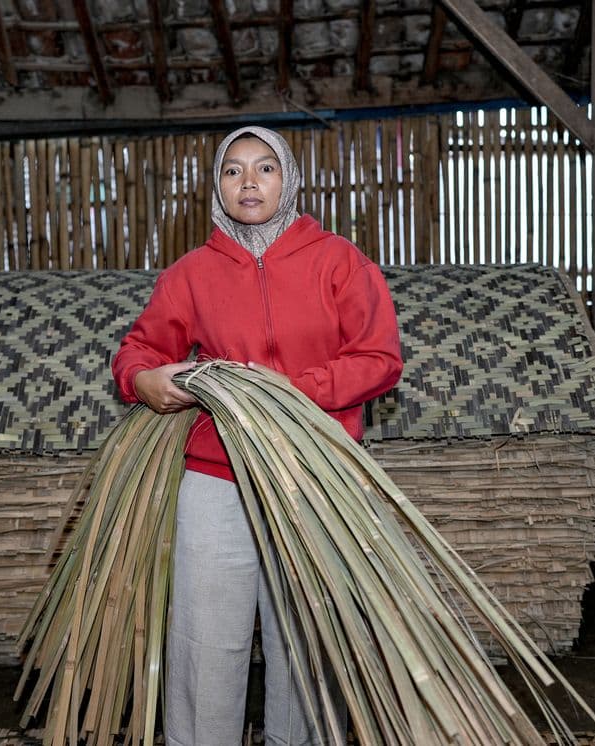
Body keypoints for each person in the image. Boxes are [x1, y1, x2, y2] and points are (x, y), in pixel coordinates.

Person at [112, 125, 403, 746]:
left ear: (288, 179)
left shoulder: (338, 261)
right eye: (233, 170)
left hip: (315, 474)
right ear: (217, 186)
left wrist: (291, 388)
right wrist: (146, 380)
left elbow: (379, 358)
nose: (248, 181)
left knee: (304, 632)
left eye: (265, 168)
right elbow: (138, 350)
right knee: (204, 634)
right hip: (218, 474)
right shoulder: (193, 272)